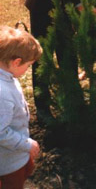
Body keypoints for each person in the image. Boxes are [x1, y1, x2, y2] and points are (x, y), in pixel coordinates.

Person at [0, 25, 42, 189]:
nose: (28, 69)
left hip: (16, 154)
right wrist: (27, 144)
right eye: (29, 65)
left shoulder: (8, 76)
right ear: (16, 62)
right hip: (8, 161)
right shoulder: (2, 94)